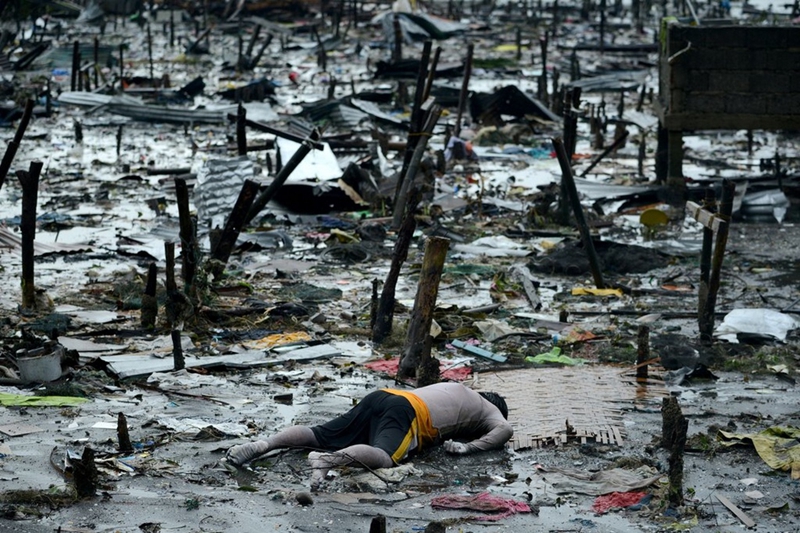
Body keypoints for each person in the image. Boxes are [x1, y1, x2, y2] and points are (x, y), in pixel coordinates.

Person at [225, 382, 513, 489]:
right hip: (409, 411)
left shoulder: (458, 387)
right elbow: (505, 431)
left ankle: (262, 445)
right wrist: (470, 448)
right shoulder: (491, 410)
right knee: (386, 458)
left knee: (318, 433)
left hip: (384, 395)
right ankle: (328, 462)